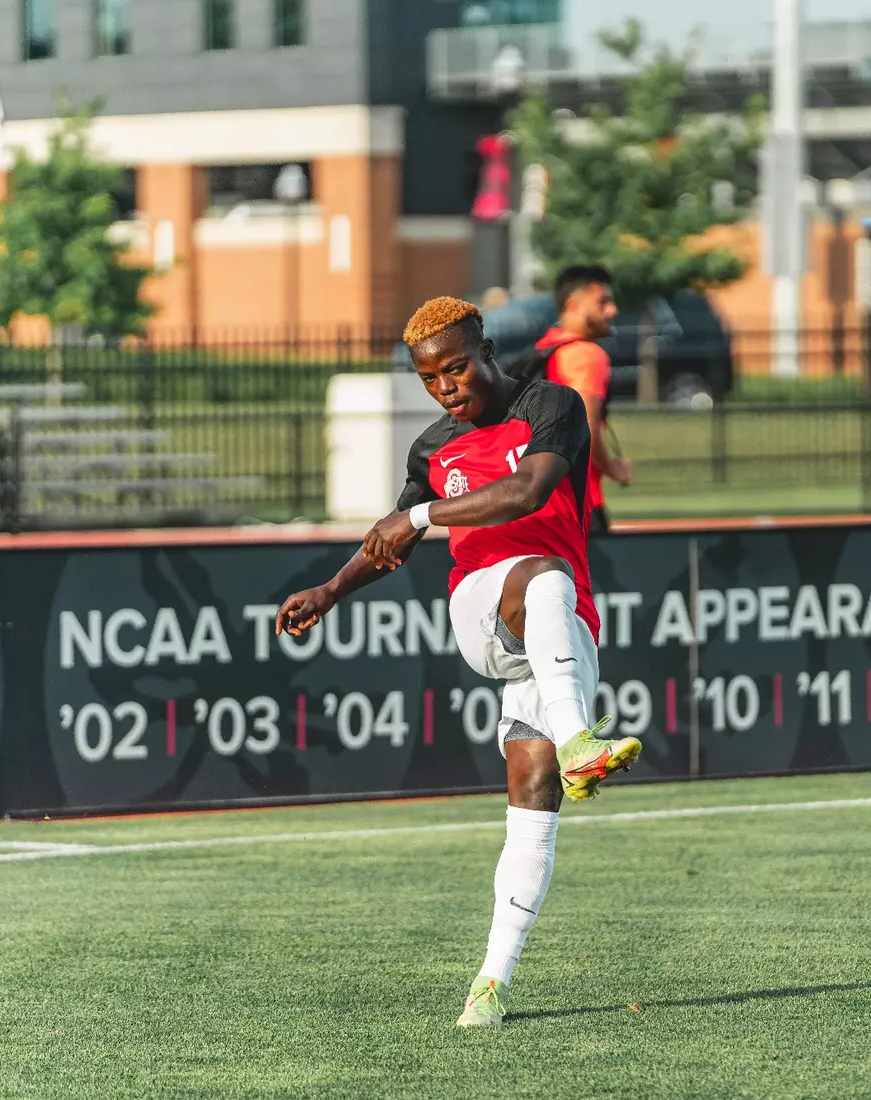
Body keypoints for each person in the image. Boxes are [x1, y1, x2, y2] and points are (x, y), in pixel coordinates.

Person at [275, 296, 641, 1030]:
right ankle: (580, 742)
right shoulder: (434, 449)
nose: (446, 387)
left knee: (533, 812)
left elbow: (530, 489)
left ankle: (488, 987)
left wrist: (415, 516)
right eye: (430, 378)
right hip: (482, 609)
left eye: (456, 368)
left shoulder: (551, 407)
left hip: (559, 630)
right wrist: (332, 588)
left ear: (485, 349)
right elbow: (392, 541)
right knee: (540, 570)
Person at [534, 265, 634, 534]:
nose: (612, 311)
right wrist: (614, 468)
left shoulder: (544, 349)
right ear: (573, 305)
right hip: (581, 503)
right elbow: (585, 431)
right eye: (602, 302)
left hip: (541, 502)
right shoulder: (586, 355)